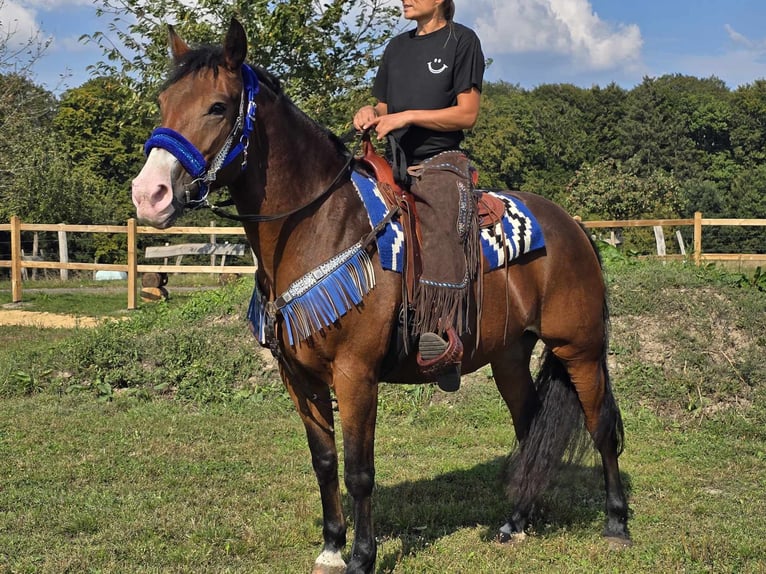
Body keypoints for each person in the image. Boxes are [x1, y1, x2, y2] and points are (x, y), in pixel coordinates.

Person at [353, 0, 485, 392]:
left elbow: (467, 115)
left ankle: (443, 336)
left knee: (441, 212)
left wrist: (408, 116)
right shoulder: (396, 48)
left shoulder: (462, 41)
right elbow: (382, 107)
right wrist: (368, 112)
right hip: (391, 162)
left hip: (441, 162)